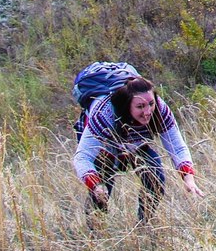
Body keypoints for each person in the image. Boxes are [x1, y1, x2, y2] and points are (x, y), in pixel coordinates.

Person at [74, 76, 204, 219]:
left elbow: (177, 147)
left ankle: (143, 226)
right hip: (105, 149)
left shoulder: (160, 109)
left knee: (155, 179)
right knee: (100, 195)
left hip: (137, 145)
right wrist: (95, 184)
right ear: (127, 105)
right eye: (140, 107)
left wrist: (189, 179)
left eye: (150, 103)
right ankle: (96, 233)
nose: (148, 111)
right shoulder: (103, 115)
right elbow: (83, 157)